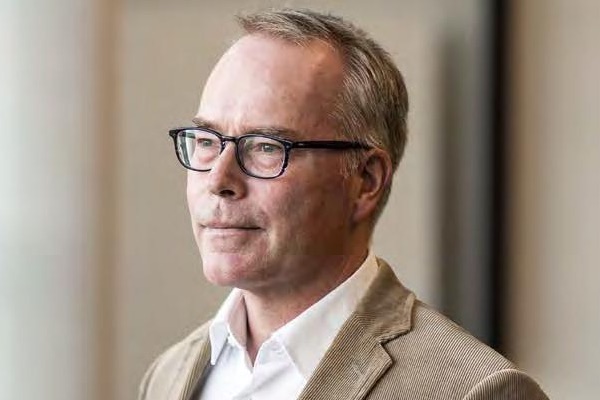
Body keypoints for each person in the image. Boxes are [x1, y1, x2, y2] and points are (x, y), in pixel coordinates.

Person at [139, 8, 548, 400]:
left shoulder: (474, 391)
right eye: (207, 141)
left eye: (266, 146)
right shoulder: (169, 375)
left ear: (366, 181)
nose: (218, 180)